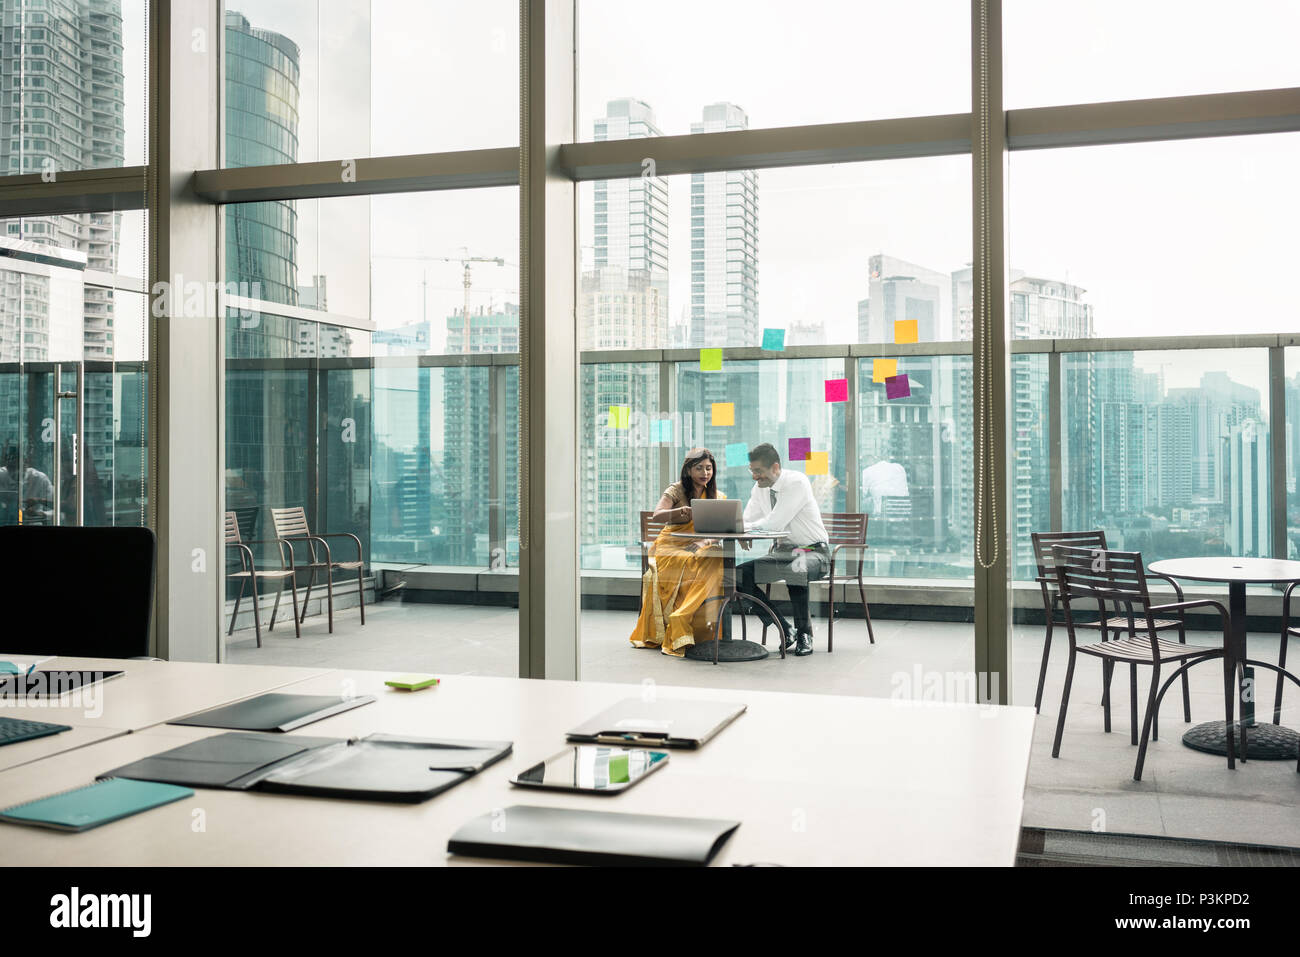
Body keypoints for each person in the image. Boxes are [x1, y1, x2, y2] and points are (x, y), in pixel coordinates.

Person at [628, 448, 727, 657]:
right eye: (699, 468)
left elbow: (722, 529)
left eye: (708, 468)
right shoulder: (675, 490)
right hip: (670, 546)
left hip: (701, 545)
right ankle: (682, 626)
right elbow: (657, 515)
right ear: (688, 470)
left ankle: (682, 617)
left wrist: (704, 542)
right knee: (694, 562)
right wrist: (678, 512)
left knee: (715, 556)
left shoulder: (717, 496)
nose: (705, 472)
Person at [734, 442, 830, 657]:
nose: (754, 476)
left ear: (775, 467)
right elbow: (748, 520)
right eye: (752, 471)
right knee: (739, 575)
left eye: (758, 471)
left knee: (796, 568)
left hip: (813, 552)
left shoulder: (796, 482)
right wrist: (740, 529)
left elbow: (773, 523)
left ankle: (805, 634)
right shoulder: (759, 490)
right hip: (781, 553)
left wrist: (744, 529)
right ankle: (784, 627)